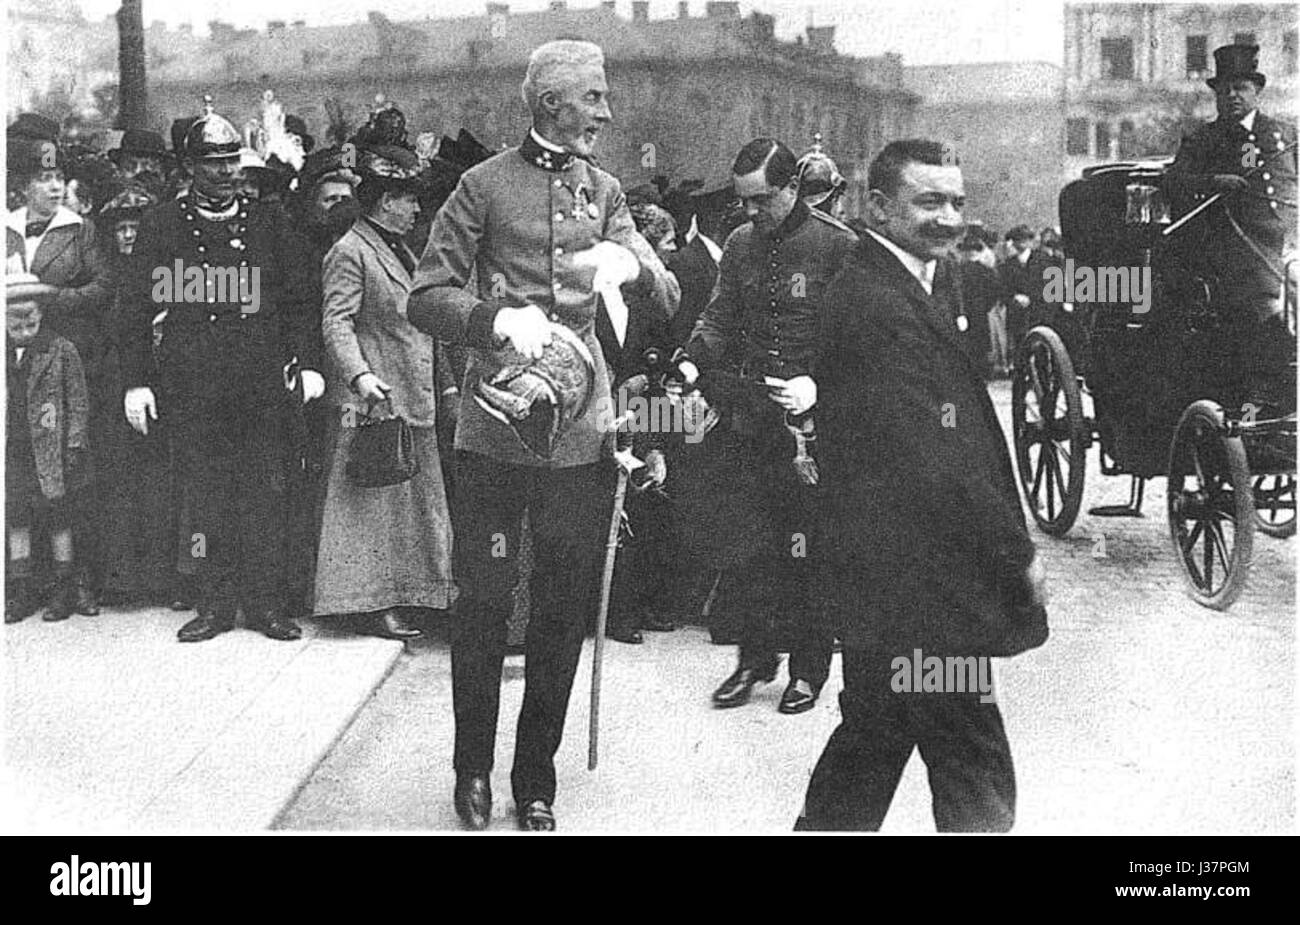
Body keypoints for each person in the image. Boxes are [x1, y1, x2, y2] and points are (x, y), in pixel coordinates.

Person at [407, 39, 679, 831]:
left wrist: (630, 268)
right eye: (593, 97)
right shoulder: (482, 185)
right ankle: (471, 771)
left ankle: (536, 775)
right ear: (551, 102)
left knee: (562, 606)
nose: (606, 111)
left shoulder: (607, 190)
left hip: (580, 438)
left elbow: (662, 294)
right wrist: (495, 319)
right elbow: (427, 296)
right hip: (495, 428)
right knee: (484, 602)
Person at [798, 140, 1049, 831]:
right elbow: (935, 457)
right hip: (922, 593)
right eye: (929, 201)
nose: (948, 217)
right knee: (973, 763)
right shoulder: (877, 304)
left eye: (957, 202)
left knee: (872, 743)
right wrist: (1015, 553)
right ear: (878, 206)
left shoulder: (912, 282)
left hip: (892, 589)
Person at [117, 101, 326, 643]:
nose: (227, 173)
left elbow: (301, 299)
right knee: (204, 494)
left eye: (233, 162)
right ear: (190, 168)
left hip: (259, 381)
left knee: (264, 494)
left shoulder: (267, 220)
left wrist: (307, 365)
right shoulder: (164, 225)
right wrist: (137, 380)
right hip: (194, 382)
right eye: (214, 164)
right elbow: (136, 305)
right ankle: (213, 602)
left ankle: (265, 604)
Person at [680, 138, 855, 715]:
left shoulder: (838, 246)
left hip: (814, 426)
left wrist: (820, 384)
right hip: (751, 417)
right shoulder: (739, 245)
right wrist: (691, 358)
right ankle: (753, 660)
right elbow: (719, 314)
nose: (751, 213)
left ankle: (808, 670)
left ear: (789, 189)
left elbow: (864, 337)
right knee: (748, 546)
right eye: (744, 203)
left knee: (808, 547)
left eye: (761, 201)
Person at [313, 144, 457, 638]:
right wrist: (359, 377)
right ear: (383, 202)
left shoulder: (401, 248)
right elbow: (336, 323)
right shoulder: (350, 251)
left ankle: (416, 593)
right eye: (408, 200)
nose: (417, 209)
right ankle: (370, 603)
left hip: (411, 394)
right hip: (374, 400)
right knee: (370, 510)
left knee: (414, 504)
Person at [6, 118, 113, 617]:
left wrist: (53, 298)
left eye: (58, 178)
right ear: (21, 185)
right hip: (14, 360)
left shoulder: (81, 230)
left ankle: (81, 580)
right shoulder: (6, 229)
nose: (53, 186)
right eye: (43, 179)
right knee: (21, 475)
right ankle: (25, 582)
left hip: (68, 362)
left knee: (71, 474)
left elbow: (103, 288)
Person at [1167, 42, 1297, 412]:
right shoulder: (1203, 139)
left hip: (1287, 243)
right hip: (1233, 250)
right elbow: (1174, 183)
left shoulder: (1285, 135)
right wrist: (1212, 181)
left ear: (1257, 91)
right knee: (1267, 307)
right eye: (1224, 89)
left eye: (1240, 88)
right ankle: (1266, 394)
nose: (1232, 96)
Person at [5, 275, 92, 623]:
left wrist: (73, 444)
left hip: (50, 450)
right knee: (17, 517)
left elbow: (78, 401)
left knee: (58, 515)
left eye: (30, 321)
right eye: (14, 321)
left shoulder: (60, 350)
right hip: (13, 450)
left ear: (41, 315)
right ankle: (21, 588)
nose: (23, 329)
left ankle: (63, 588)